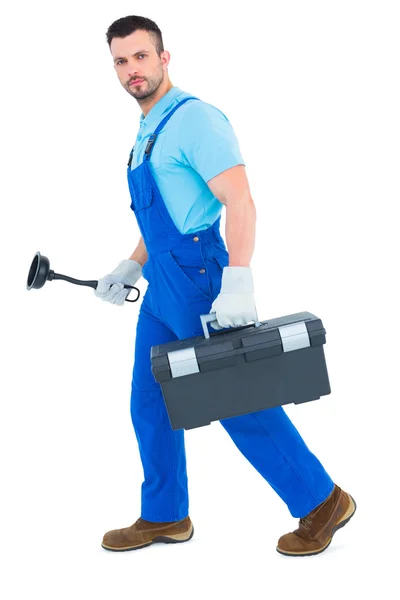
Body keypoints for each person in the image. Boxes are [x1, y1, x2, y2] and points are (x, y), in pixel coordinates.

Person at [95, 15, 356, 556]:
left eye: (141, 57)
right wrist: (131, 265)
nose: (131, 70)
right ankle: (165, 515)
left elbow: (240, 200)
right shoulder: (147, 130)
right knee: (150, 401)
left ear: (164, 58)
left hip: (199, 279)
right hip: (165, 284)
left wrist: (237, 281)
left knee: (237, 399)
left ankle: (322, 501)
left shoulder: (194, 120)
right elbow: (163, 216)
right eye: (121, 61)